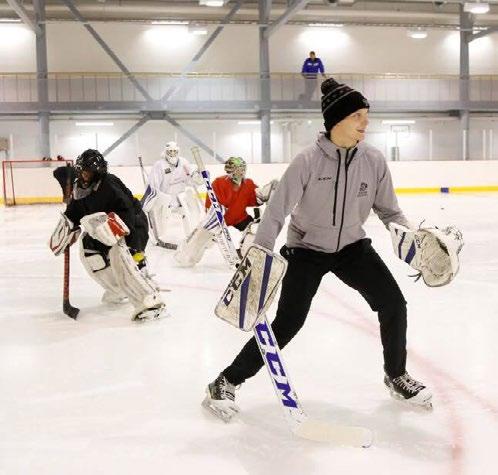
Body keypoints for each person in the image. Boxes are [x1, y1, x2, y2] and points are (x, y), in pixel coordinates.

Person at [204, 78, 433, 420]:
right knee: (288, 323)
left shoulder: (373, 160)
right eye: (357, 115)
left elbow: (390, 211)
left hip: (353, 248)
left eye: (366, 115)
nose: (365, 122)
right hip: (306, 250)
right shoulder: (308, 161)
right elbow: (277, 210)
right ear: (336, 120)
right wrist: (259, 258)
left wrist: (414, 242)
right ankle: (227, 379)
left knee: (393, 304)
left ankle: (396, 375)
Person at [49, 149, 167, 321]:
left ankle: (149, 299)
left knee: (119, 255)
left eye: (88, 172)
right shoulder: (78, 189)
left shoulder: (109, 185)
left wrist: (133, 247)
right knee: (88, 252)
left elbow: (127, 213)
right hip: (100, 231)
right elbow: (74, 213)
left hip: (132, 226)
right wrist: (67, 228)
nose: (84, 175)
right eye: (82, 171)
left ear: (98, 173)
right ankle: (117, 290)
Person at [174, 157, 277, 266]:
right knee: (203, 236)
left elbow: (255, 199)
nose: (242, 172)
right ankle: (186, 256)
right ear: (230, 170)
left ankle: (245, 254)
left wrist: (265, 194)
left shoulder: (248, 184)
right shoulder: (219, 183)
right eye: (238, 169)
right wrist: (217, 212)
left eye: (243, 169)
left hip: (238, 217)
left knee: (254, 229)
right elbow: (210, 206)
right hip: (219, 218)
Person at [142, 141, 204, 247]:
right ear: (166, 152)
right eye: (170, 151)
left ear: (178, 151)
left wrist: (198, 176)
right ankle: (160, 238)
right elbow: (153, 185)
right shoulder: (159, 165)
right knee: (161, 219)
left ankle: (191, 235)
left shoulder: (184, 162)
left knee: (190, 213)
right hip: (165, 199)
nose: (172, 153)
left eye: (175, 151)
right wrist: (148, 203)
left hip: (180, 198)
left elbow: (190, 179)